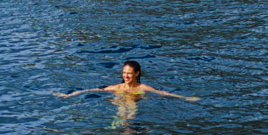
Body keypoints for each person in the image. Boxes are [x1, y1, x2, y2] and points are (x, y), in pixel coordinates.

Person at [56, 59, 197, 102]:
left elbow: (163, 93)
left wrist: (185, 97)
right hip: (118, 101)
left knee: (129, 106)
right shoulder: (117, 87)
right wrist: (69, 95)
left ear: (137, 73)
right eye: (124, 73)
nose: (126, 76)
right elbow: (94, 90)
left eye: (129, 73)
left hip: (133, 103)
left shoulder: (142, 88)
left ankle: (127, 127)